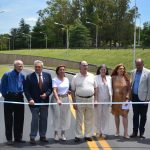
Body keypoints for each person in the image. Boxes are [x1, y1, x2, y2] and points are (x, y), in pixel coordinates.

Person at [24, 60, 52, 145]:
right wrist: (30, 99)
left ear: (42, 67)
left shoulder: (48, 75)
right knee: (35, 119)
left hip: (44, 102)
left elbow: (50, 88)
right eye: (36, 66)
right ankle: (32, 136)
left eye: (39, 67)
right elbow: (26, 90)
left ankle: (42, 136)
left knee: (44, 119)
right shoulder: (29, 77)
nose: (37, 68)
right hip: (33, 103)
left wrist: (46, 94)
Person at [71, 61, 97, 142]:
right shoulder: (75, 77)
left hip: (90, 99)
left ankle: (88, 135)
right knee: (79, 119)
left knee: (89, 118)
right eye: (84, 65)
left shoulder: (92, 76)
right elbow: (72, 90)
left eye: (86, 65)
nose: (85, 67)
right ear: (80, 67)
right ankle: (78, 135)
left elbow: (96, 88)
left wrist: (95, 100)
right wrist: (74, 102)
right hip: (79, 99)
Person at [1, 60, 25, 145]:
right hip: (9, 97)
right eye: (19, 65)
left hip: (19, 97)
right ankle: (9, 139)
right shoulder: (7, 75)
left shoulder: (22, 75)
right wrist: (6, 95)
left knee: (19, 119)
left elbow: (24, 87)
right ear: (14, 66)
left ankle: (18, 137)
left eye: (22, 65)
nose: (20, 67)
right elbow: (2, 86)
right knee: (8, 119)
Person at [130, 58, 150, 139]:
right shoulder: (133, 72)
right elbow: (132, 83)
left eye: (139, 65)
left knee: (143, 116)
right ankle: (134, 132)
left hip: (143, 98)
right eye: (137, 65)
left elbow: (149, 87)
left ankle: (141, 132)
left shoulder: (148, 72)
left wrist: (147, 99)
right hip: (134, 97)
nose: (138, 66)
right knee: (135, 115)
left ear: (143, 64)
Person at [51, 65, 71, 141]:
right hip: (57, 99)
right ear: (57, 71)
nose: (62, 71)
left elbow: (67, 89)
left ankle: (63, 133)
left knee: (64, 117)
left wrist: (68, 92)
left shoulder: (66, 79)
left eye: (63, 69)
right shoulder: (55, 80)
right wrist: (58, 99)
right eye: (60, 70)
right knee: (56, 116)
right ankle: (56, 133)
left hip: (66, 99)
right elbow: (54, 90)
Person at [111, 64, 131, 138]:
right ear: (117, 70)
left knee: (125, 115)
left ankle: (126, 133)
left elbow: (129, 89)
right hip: (115, 99)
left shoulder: (126, 78)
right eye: (120, 68)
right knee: (116, 115)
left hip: (125, 100)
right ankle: (117, 130)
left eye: (123, 69)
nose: (122, 70)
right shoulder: (113, 78)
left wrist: (128, 96)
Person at [94, 64, 112, 139]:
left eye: (104, 69)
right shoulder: (96, 78)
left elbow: (111, 89)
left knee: (105, 115)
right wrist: (95, 100)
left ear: (106, 70)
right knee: (98, 115)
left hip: (107, 99)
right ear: (99, 70)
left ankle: (103, 131)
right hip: (99, 99)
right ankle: (98, 131)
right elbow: (95, 89)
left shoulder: (109, 78)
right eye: (102, 69)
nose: (103, 71)